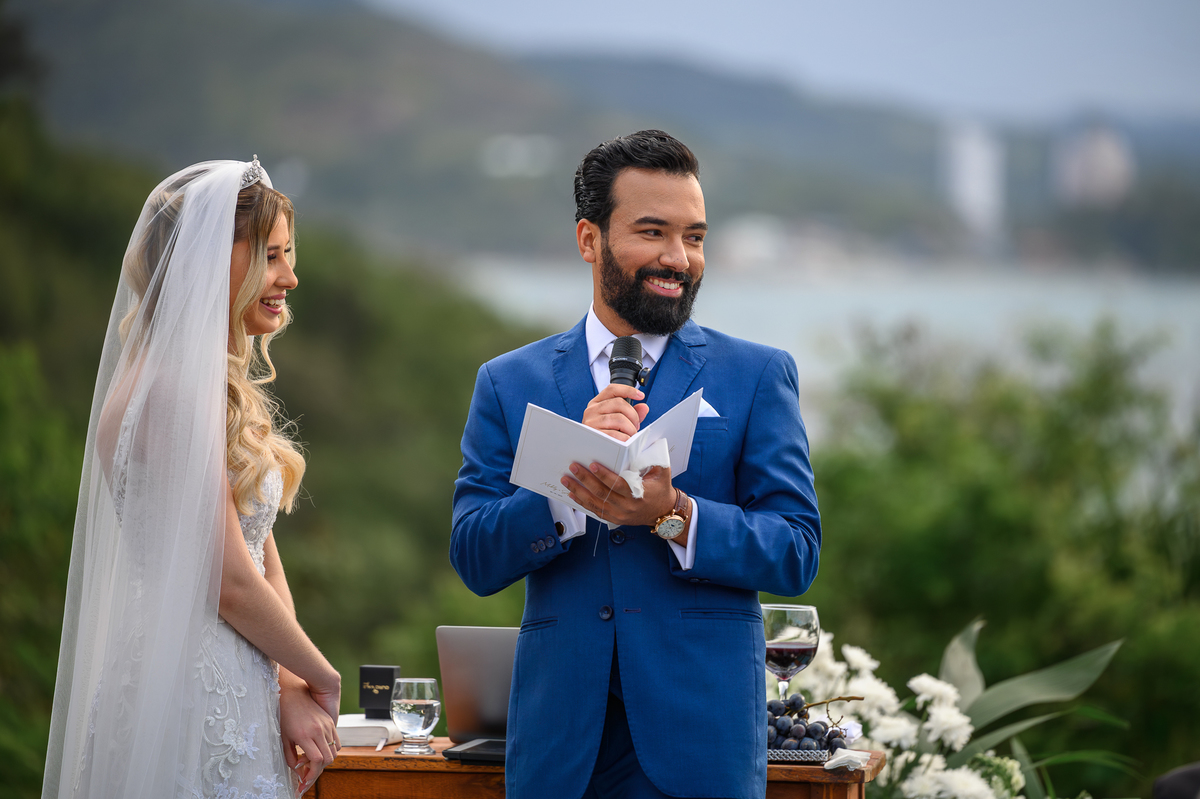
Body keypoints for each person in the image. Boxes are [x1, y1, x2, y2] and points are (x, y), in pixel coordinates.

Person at [451, 130, 821, 799]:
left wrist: (676, 515)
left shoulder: (758, 375)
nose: (678, 258)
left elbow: (796, 549)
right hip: (559, 752)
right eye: (653, 232)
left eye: (696, 237)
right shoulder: (508, 382)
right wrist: (568, 488)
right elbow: (475, 555)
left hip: (700, 746)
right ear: (589, 239)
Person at [42, 159, 342, 799]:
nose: (289, 277)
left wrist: (289, 682)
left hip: (238, 669)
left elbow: (258, 551)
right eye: (272, 257)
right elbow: (227, 578)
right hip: (190, 684)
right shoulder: (172, 393)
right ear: (213, 262)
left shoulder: (204, 384)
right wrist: (323, 677)